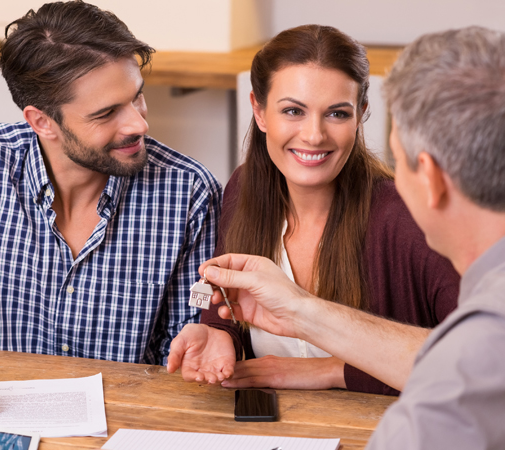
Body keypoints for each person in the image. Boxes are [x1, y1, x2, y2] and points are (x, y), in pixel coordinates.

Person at [191, 26, 505, 449]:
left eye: (400, 162)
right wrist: (296, 313)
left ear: (431, 179)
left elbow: (470, 361)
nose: (314, 134)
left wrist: (322, 351)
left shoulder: (483, 355)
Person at [0, 1, 221, 415]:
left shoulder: (189, 192)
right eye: (106, 113)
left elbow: (191, 347)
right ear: (42, 121)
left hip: (127, 421)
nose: (139, 124)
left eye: (137, 97)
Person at [167, 25, 459, 396]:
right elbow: (230, 306)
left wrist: (332, 371)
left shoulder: (407, 217)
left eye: (337, 114)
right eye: (293, 111)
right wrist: (220, 334)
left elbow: (482, 364)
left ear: (361, 114)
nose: (314, 135)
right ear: (259, 111)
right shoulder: (243, 189)